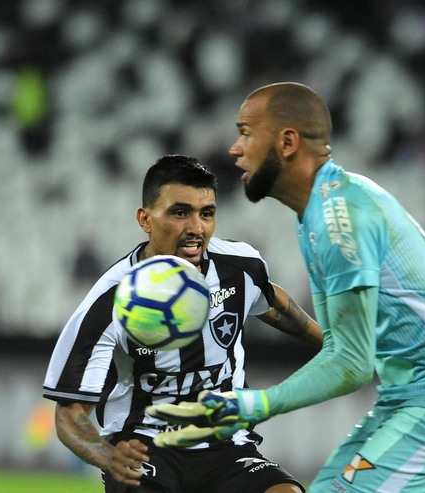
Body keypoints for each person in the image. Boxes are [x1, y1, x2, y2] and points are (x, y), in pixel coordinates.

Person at [149, 83, 425, 493]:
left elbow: (353, 363)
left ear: (287, 142)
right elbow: (341, 347)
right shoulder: (320, 211)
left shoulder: (340, 220)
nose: (235, 148)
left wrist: (257, 404)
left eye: (246, 132)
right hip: (409, 396)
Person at [42, 154, 322, 493]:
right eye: (180, 212)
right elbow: (69, 413)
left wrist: (336, 344)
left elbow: (272, 302)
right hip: (145, 447)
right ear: (145, 219)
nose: (196, 228)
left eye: (206, 213)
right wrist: (108, 456)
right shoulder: (110, 300)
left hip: (226, 444)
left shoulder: (240, 268)